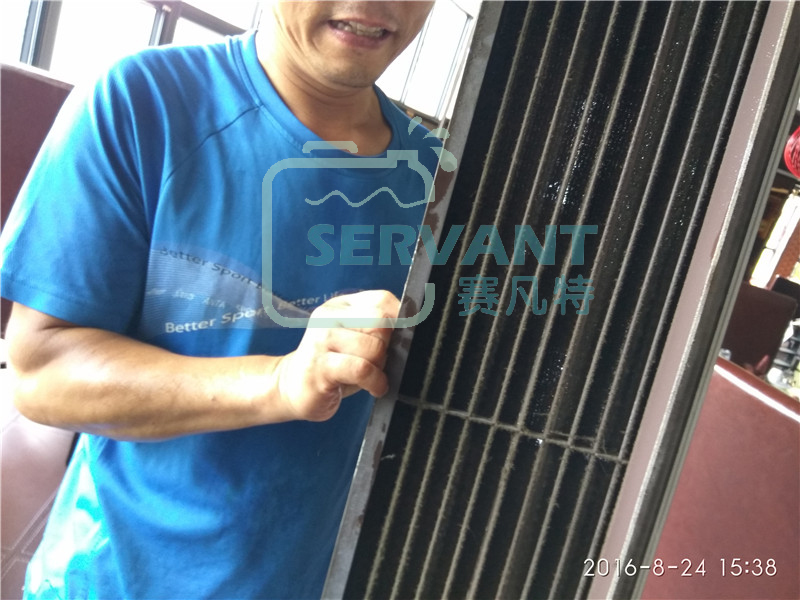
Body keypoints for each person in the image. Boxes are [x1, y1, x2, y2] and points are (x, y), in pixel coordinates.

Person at [0, 1, 439, 597]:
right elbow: (42, 371)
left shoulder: (438, 178)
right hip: (118, 579)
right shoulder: (143, 102)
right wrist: (280, 383)